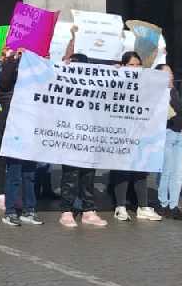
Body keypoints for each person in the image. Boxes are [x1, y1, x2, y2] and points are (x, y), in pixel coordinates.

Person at [107, 52, 161, 222]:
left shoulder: (145, 83)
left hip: (140, 132)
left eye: (138, 65)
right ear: (123, 66)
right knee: (122, 169)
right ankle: (120, 207)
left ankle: (143, 206)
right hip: (121, 133)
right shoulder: (116, 82)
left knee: (140, 170)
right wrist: (114, 74)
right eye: (131, 65)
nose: (136, 68)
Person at [58, 52, 107, 229]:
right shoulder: (63, 84)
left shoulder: (95, 86)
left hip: (90, 136)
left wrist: (118, 72)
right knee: (70, 174)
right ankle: (67, 210)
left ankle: (88, 210)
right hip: (70, 135)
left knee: (88, 175)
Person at [0, 48, 42, 227]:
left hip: (29, 134)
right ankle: (10, 211)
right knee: (14, 174)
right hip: (14, 136)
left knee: (29, 174)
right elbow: (6, 77)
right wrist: (13, 58)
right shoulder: (6, 88)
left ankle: (30, 210)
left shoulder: (32, 88)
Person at [154, 61, 182, 220]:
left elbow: (179, 112)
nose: (171, 76)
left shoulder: (173, 91)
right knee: (165, 171)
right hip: (166, 134)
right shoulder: (158, 93)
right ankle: (163, 204)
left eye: (171, 72)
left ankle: (174, 206)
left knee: (177, 173)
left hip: (178, 135)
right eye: (167, 73)